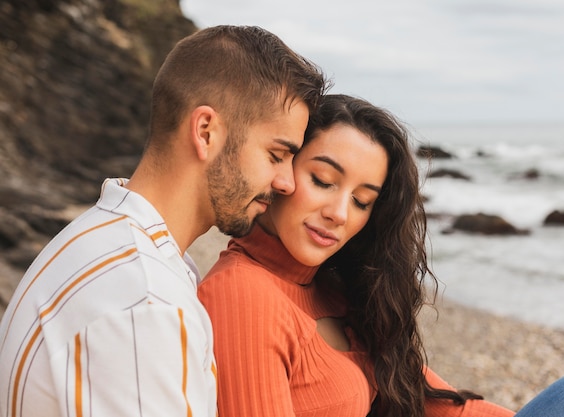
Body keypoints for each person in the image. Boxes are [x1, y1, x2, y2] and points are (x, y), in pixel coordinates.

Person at [197, 94, 564, 417]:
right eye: (324, 180)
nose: (339, 214)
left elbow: (432, 402)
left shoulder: (333, 288)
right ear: (283, 169)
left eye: (363, 201)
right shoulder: (242, 295)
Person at [0, 25, 328, 417]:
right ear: (206, 132)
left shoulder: (102, 237)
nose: (287, 182)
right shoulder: (145, 301)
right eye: (277, 155)